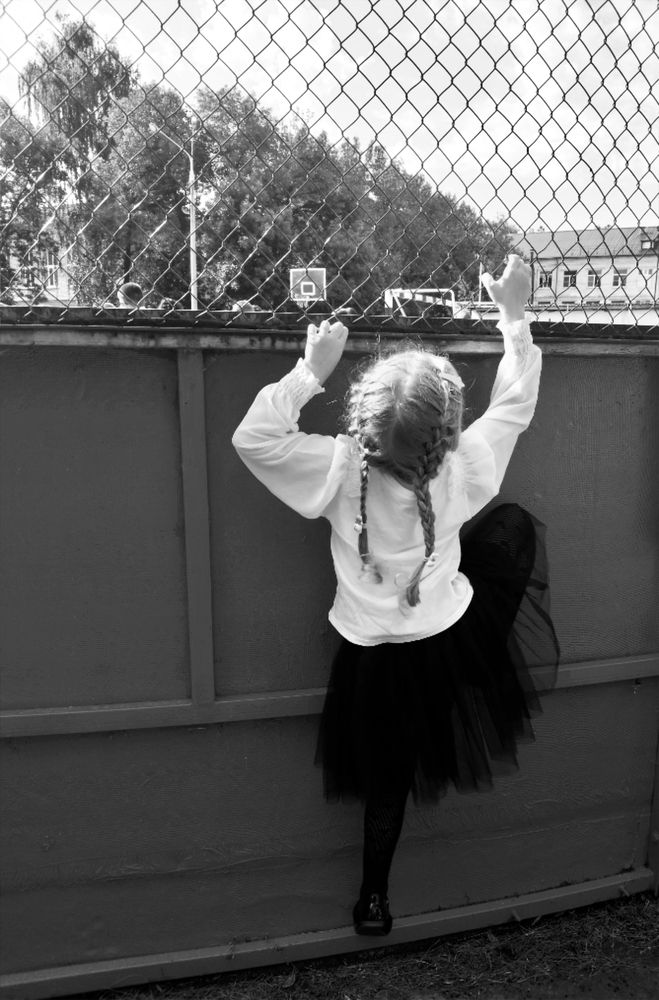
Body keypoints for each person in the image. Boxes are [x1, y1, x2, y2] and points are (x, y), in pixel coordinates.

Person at [232, 254, 559, 937]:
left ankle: (373, 900)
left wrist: (310, 370)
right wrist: (513, 315)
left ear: (363, 423)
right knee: (512, 530)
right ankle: (477, 666)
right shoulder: (466, 464)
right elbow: (514, 405)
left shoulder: (338, 467)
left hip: (370, 657)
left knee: (387, 781)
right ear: (447, 431)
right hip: (443, 639)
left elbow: (254, 439)